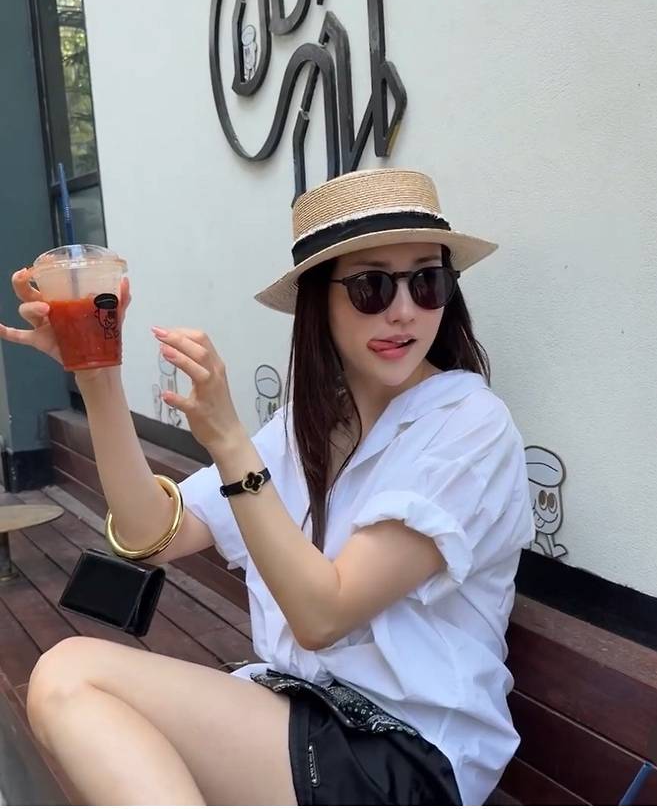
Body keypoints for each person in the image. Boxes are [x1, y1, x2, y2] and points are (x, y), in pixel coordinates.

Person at [0, 168, 535, 806]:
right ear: (318, 301)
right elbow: (152, 533)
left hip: (408, 755)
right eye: (370, 286)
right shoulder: (309, 424)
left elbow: (323, 616)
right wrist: (97, 374)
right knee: (66, 679)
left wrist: (229, 441)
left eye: (428, 282)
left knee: (71, 678)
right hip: (300, 715)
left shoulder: (468, 425)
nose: (404, 310)